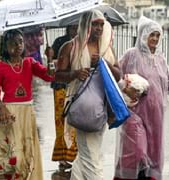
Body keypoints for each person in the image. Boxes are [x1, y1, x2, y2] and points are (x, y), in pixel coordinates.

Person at [113, 16, 169, 180]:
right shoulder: (131, 55)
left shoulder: (161, 59)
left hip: (155, 112)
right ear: (143, 35)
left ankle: (147, 177)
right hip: (134, 111)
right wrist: (126, 89)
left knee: (153, 148)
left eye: (158, 35)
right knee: (137, 148)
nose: (155, 38)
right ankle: (127, 176)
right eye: (152, 35)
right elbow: (115, 75)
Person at [55, 9, 120, 179]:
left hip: (103, 108)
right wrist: (75, 74)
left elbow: (118, 75)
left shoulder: (106, 47)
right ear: (85, 25)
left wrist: (104, 63)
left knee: (89, 152)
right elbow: (58, 76)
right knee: (91, 154)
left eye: (101, 24)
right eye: (95, 24)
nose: (99, 28)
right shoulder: (70, 47)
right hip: (82, 108)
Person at [0, 29, 54, 179]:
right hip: (10, 114)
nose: (18, 46)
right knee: (14, 155)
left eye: (21, 42)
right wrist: (1, 106)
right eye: (13, 43)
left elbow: (48, 77)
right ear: (5, 46)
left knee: (27, 153)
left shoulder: (30, 63)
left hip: (28, 113)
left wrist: (50, 61)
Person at [50, 25, 78, 171]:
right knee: (61, 122)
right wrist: (50, 57)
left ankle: (74, 156)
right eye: (73, 27)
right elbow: (51, 69)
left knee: (76, 123)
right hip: (61, 87)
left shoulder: (83, 43)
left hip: (77, 88)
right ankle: (62, 157)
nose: (76, 30)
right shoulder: (59, 42)